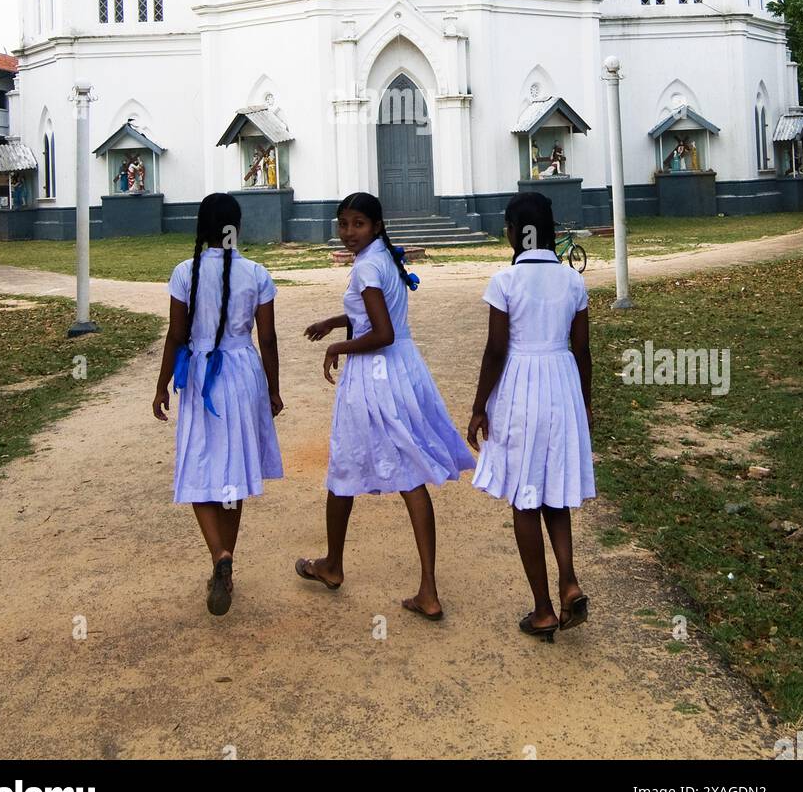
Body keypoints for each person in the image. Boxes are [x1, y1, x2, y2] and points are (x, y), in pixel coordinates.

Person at [296, 191, 473, 621]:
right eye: (343, 224)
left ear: (374, 226)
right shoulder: (383, 258)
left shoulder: (369, 266)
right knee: (410, 473)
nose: (348, 232)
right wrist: (334, 321)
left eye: (357, 224)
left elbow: (382, 332)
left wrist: (338, 344)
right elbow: (374, 315)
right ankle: (426, 589)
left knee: (344, 465)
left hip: (375, 374)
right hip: (402, 372)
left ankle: (334, 564)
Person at [468, 191, 594, 641]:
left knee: (525, 497)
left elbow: (496, 349)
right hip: (562, 385)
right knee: (554, 494)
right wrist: (587, 406)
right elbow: (582, 352)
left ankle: (542, 608)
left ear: (510, 232)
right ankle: (569, 580)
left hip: (522, 389)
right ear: (551, 230)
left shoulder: (504, 282)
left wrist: (479, 405)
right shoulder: (573, 282)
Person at [152, 192, 283, 616]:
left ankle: (219, 557)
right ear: (237, 228)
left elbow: (175, 335)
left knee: (199, 467)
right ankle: (226, 557)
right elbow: (268, 339)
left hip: (201, 374)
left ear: (201, 228)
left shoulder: (184, 273)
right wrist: (274, 390)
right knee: (234, 472)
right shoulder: (257, 273)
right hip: (244, 375)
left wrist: (161, 385)